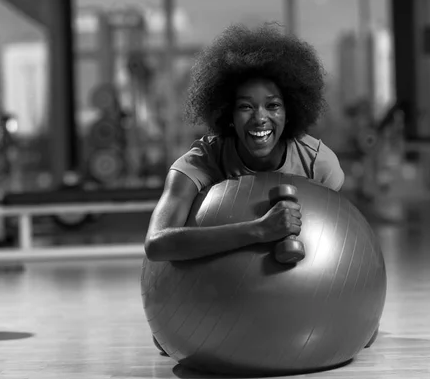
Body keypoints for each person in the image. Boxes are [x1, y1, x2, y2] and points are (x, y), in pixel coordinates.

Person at [144, 23, 344, 265]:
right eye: (246, 107)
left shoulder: (318, 164)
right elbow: (156, 244)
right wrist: (258, 230)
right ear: (228, 113)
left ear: (289, 112)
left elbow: (341, 242)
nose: (260, 118)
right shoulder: (202, 161)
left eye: (273, 106)